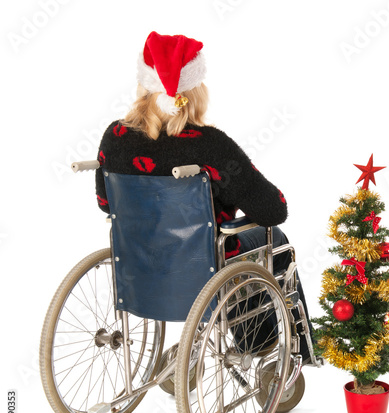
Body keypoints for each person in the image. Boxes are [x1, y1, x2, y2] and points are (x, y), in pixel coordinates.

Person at [95, 31, 313, 361]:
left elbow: (105, 204)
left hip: (140, 265)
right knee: (275, 239)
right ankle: (262, 346)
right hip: (204, 268)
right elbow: (273, 210)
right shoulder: (209, 144)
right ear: (196, 89)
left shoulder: (115, 136)